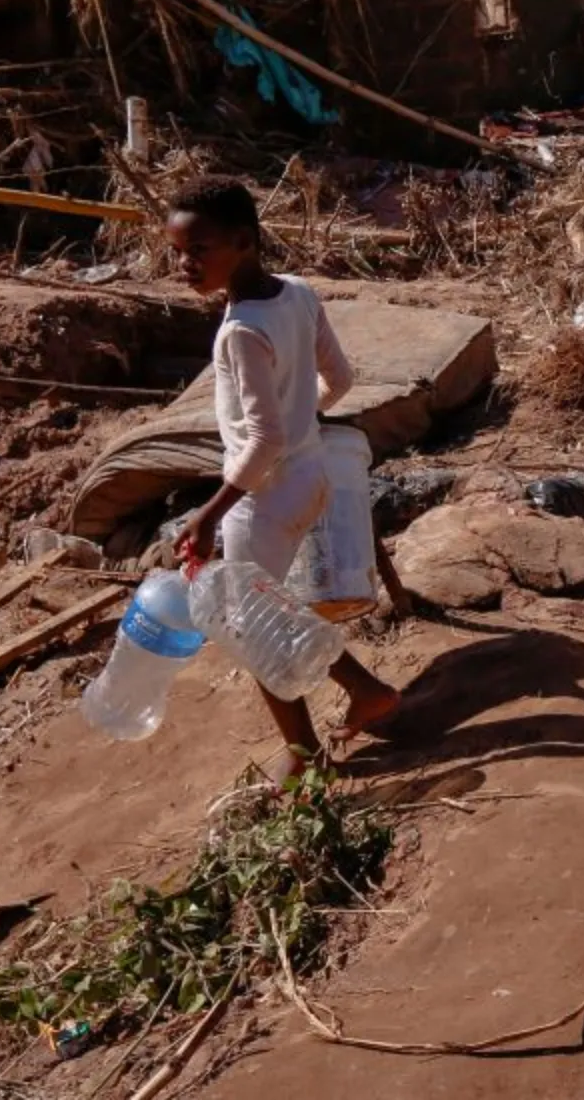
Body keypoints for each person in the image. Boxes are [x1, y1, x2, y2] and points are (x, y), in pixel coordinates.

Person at [165, 177, 401, 782]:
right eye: (178, 252)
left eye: (199, 250)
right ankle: (366, 692)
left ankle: (302, 756)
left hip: (264, 497)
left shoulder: (240, 330)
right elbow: (341, 378)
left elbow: (262, 440)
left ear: (243, 242)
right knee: (281, 611)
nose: (184, 264)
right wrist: (305, 418)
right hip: (311, 476)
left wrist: (210, 513)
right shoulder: (296, 294)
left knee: (252, 630)